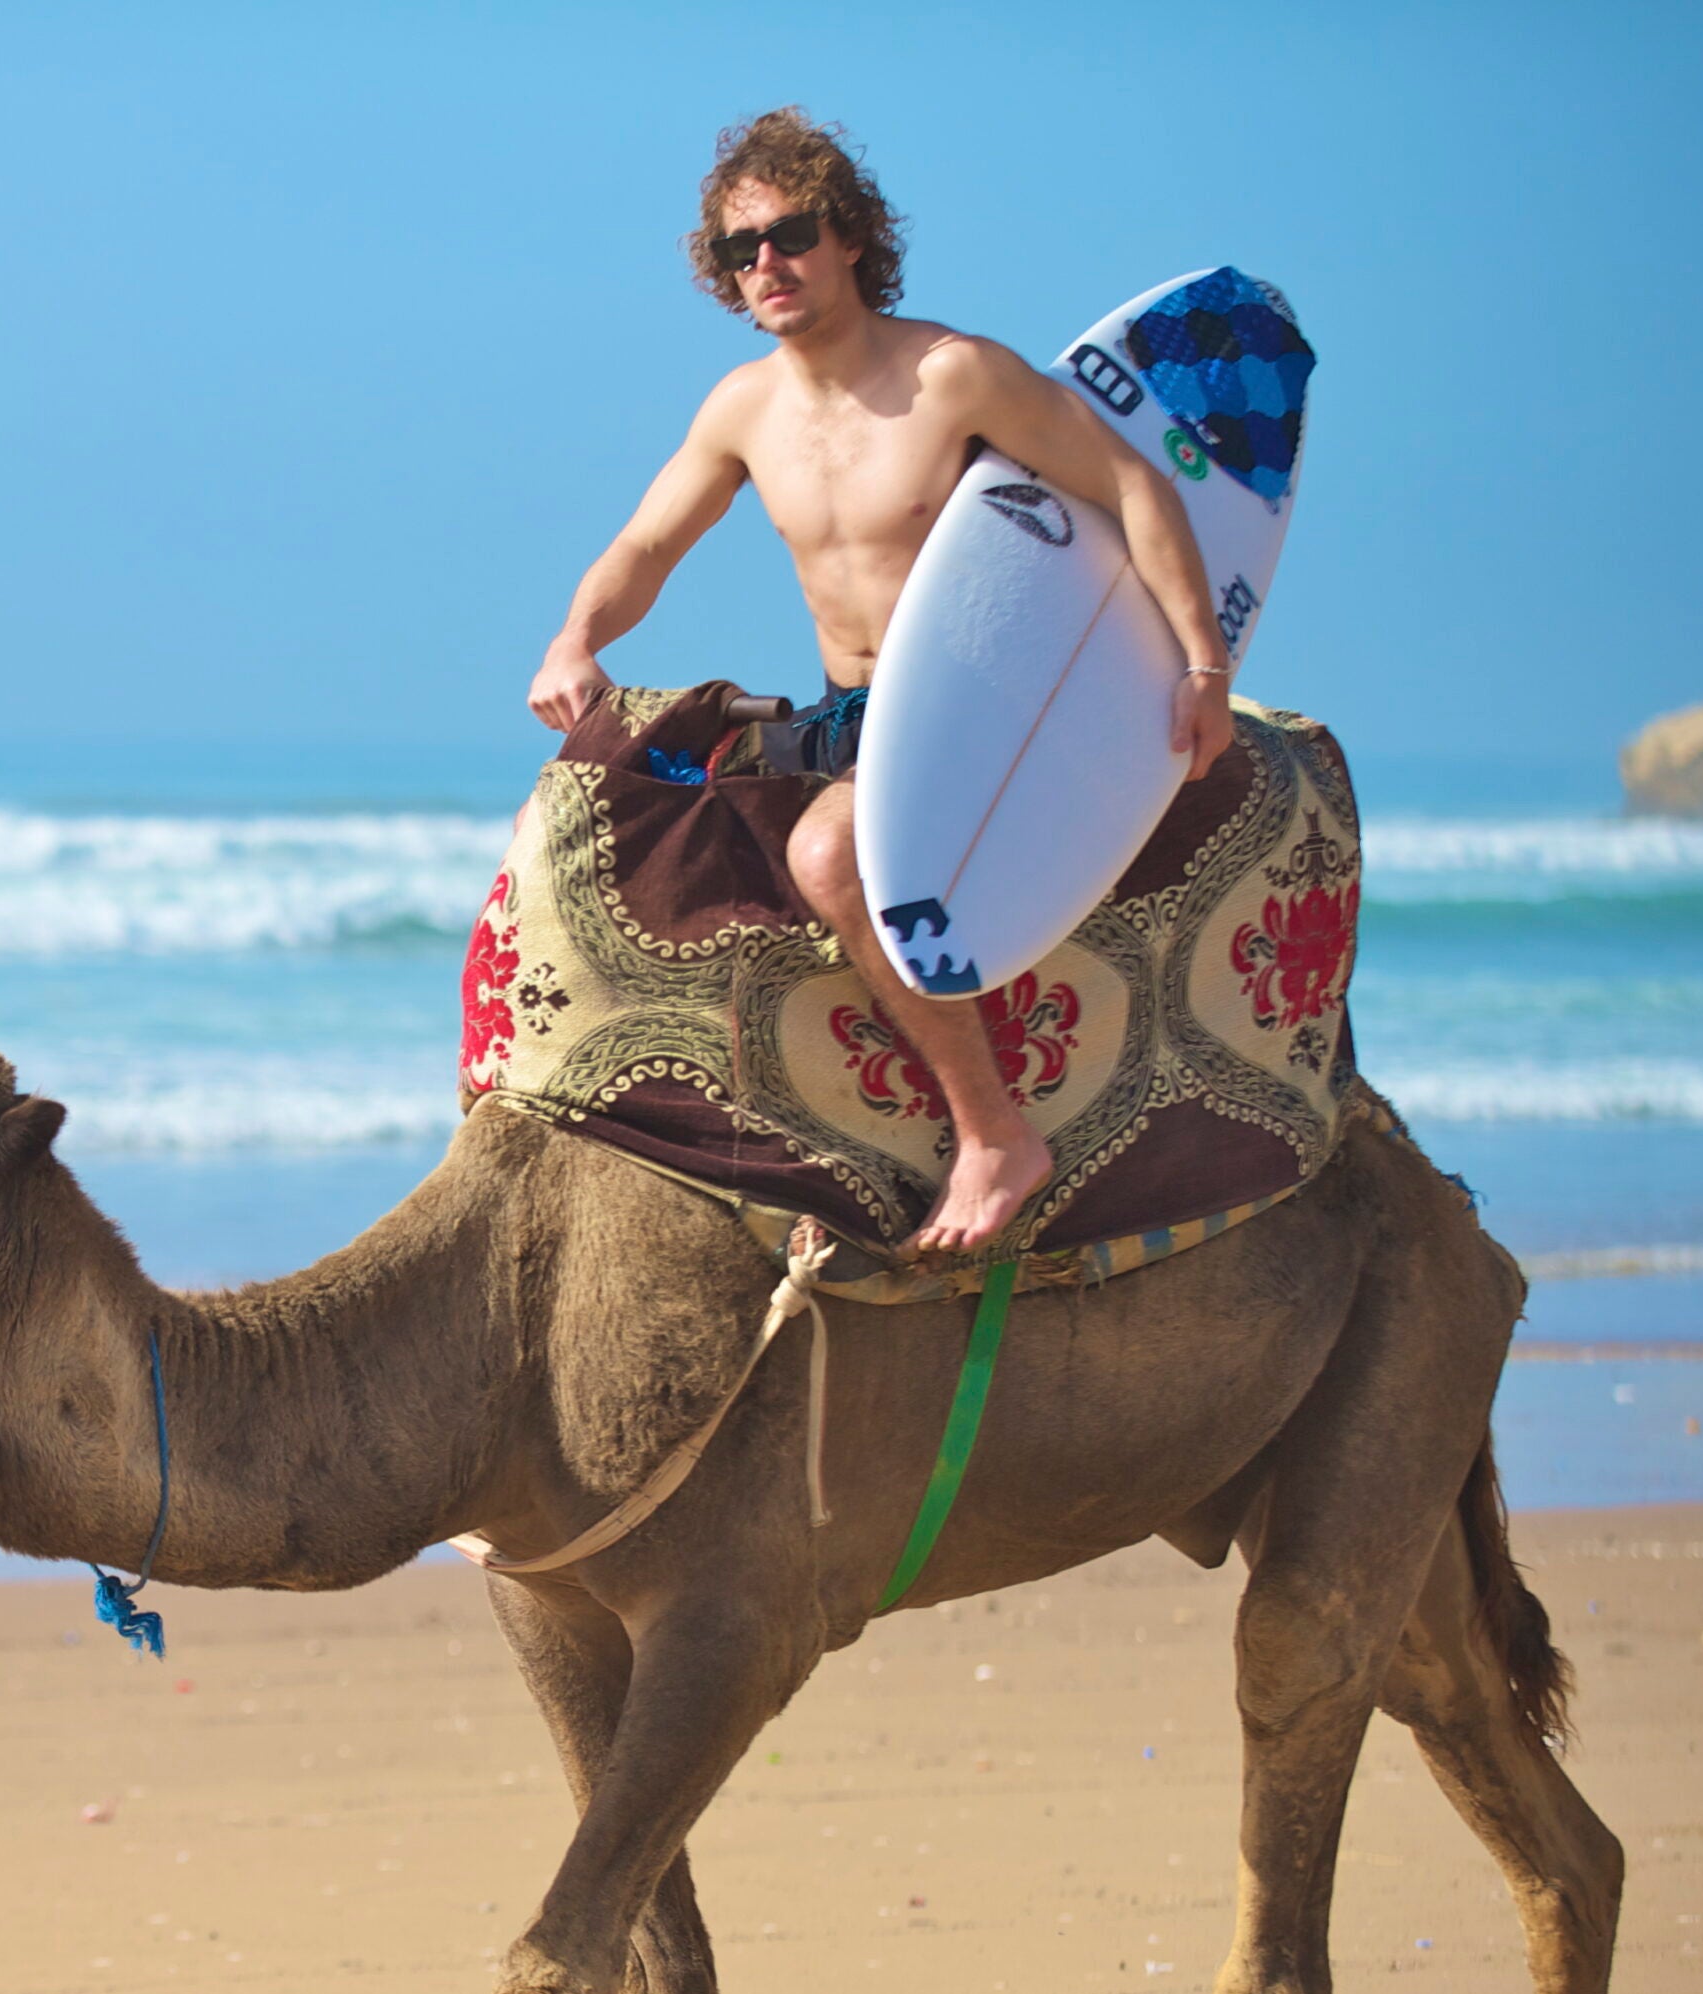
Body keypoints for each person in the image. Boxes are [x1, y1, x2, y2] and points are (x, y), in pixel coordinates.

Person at [529, 109, 1235, 1252]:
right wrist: (574, 639)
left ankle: (996, 1135)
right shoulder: (744, 410)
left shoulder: (953, 378)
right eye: (736, 249)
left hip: (991, 717)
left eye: (789, 233)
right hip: (860, 720)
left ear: (848, 236)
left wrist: (1202, 662)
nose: (765, 264)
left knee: (825, 854)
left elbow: (1132, 487)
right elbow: (645, 547)